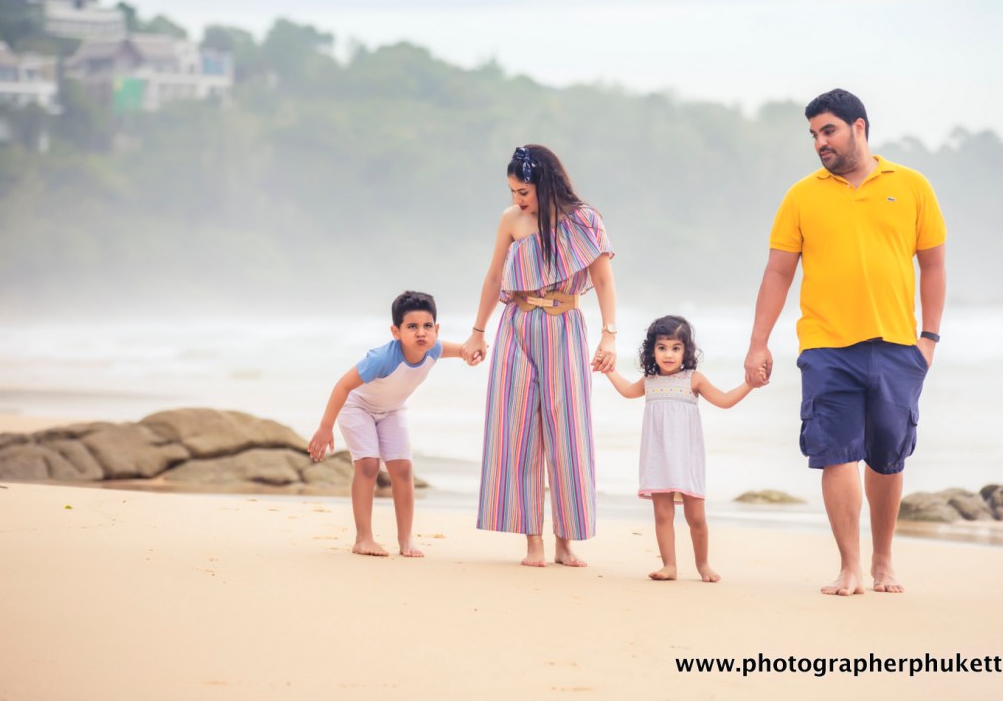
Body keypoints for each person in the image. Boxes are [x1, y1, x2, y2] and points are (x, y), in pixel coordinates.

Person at [743, 89, 947, 596]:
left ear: (859, 127)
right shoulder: (801, 196)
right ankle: (850, 566)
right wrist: (758, 343)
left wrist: (928, 339)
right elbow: (778, 272)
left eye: (828, 130)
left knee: (888, 457)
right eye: (813, 134)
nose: (820, 142)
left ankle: (883, 561)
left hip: (897, 344)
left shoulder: (912, 186)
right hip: (826, 346)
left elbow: (933, 265)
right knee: (836, 453)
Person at [461, 145, 618, 568]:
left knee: (568, 434)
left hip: (564, 327)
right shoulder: (511, 220)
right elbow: (495, 276)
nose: (517, 199)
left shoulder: (585, 220)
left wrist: (609, 337)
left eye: (523, 191)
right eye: (512, 191)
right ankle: (533, 542)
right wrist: (478, 332)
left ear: (545, 184)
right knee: (518, 432)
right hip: (516, 327)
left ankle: (566, 542)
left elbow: (604, 281)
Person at [308, 290, 465, 558]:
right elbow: (343, 386)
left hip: (391, 410)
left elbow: (463, 350)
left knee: (402, 468)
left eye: (427, 326)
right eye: (412, 327)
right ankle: (363, 538)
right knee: (368, 464)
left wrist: (472, 351)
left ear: (436, 329)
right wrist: (325, 427)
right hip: (357, 407)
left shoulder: (434, 349)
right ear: (396, 332)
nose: (421, 333)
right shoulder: (382, 359)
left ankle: (406, 540)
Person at [604, 315, 754, 582]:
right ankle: (669, 566)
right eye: (662, 347)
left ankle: (703, 564)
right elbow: (627, 390)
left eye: (676, 348)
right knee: (662, 515)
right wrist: (608, 370)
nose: (669, 354)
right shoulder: (650, 380)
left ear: (686, 351)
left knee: (696, 517)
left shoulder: (693, 379)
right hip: (657, 458)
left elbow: (724, 401)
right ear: (652, 350)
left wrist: (750, 385)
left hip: (687, 459)